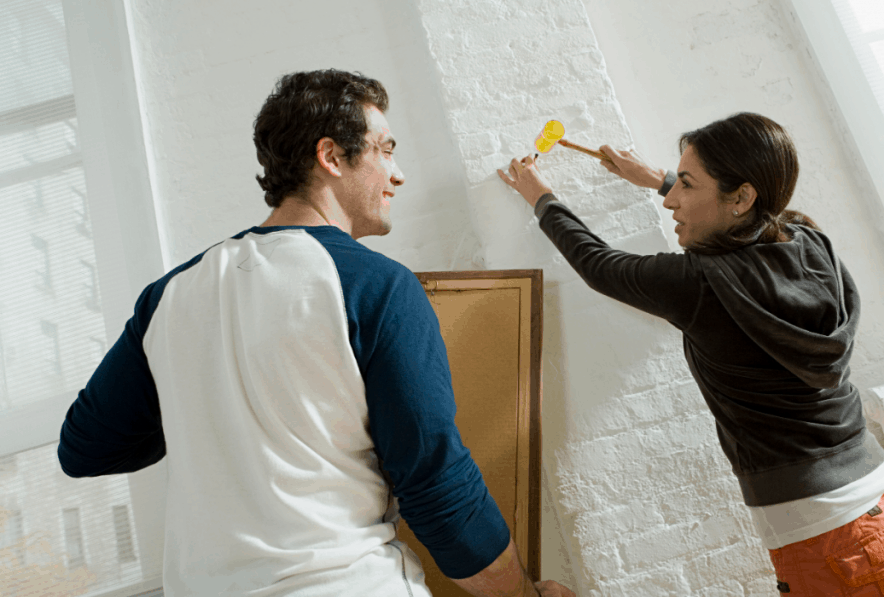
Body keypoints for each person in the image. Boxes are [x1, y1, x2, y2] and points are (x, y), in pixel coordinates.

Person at [57, 69, 574, 597]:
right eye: (384, 151)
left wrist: (209, 407)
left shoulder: (169, 296)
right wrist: (521, 594)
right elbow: (435, 483)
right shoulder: (375, 285)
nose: (397, 174)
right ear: (331, 157)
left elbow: (84, 448)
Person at [498, 112, 884, 595]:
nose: (674, 199)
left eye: (688, 185)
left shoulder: (700, 285)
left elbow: (599, 265)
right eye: (676, 182)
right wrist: (655, 179)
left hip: (835, 539)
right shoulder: (810, 244)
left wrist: (540, 196)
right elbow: (761, 220)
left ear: (741, 197)